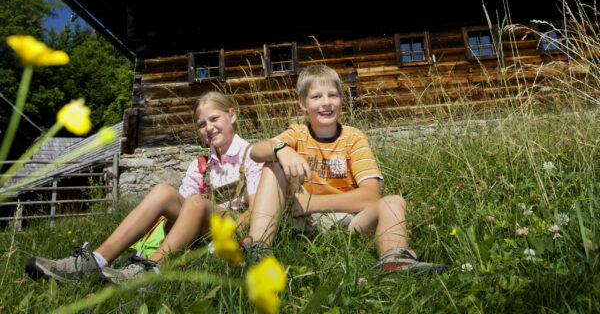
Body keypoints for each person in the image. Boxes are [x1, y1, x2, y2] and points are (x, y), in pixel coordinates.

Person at [26, 91, 263, 283]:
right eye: (201, 124)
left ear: (231, 116)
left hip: (234, 231)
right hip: (197, 229)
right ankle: (95, 260)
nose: (209, 128)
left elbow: (255, 211)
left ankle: (149, 270)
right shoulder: (200, 165)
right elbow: (179, 210)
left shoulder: (251, 155)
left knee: (196, 200)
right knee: (163, 191)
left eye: (215, 119)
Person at [245, 64, 446, 273]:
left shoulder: (354, 138)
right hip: (302, 220)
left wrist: (311, 203)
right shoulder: (297, 133)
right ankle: (258, 249)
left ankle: (394, 257)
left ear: (341, 100)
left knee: (394, 201)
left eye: (332, 95)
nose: (326, 103)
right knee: (273, 160)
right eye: (316, 97)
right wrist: (281, 149)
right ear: (303, 103)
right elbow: (254, 151)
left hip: (349, 221)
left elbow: (371, 196)